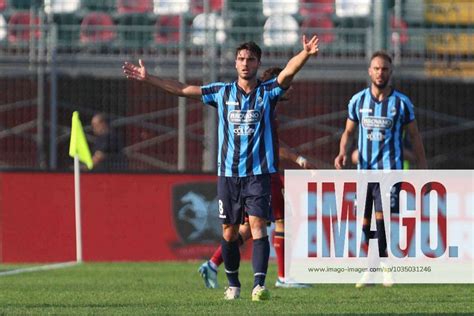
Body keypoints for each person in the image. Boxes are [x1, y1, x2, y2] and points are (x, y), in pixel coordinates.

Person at [123, 35, 319, 300]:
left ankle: (260, 285)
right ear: (235, 63)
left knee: (259, 227)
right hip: (228, 175)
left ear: (258, 62)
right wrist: (150, 78)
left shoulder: (268, 92)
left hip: (258, 174)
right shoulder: (221, 92)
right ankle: (233, 284)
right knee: (229, 232)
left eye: (250, 59)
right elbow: (183, 89)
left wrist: (305, 53)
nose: (245, 63)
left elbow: (288, 72)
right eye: (241, 59)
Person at [197, 67, 316, 290]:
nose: (290, 87)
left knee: (250, 228)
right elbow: (271, 147)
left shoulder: (267, 106)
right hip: (262, 174)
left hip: (262, 173)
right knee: (277, 220)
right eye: (287, 83)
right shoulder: (264, 106)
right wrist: (299, 159)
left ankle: (213, 264)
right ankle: (282, 276)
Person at [334, 50, 427, 288]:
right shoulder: (358, 101)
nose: (380, 72)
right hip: (364, 172)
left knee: (381, 218)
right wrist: (343, 152)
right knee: (365, 224)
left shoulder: (402, 103)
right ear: (369, 71)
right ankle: (378, 266)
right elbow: (348, 132)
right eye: (376, 68)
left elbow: (415, 137)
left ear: (391, 72)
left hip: (390, 171)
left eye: (384, 69)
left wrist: (423, 166)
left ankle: (380, 269)